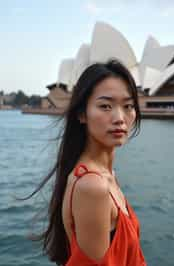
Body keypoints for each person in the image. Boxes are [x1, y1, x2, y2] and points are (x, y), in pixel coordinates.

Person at [27, 59, 147, 266]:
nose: (120, 118)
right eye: (105, 106)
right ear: (82, 114)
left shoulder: (104, 175)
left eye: (128, 106)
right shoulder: (93, 186)